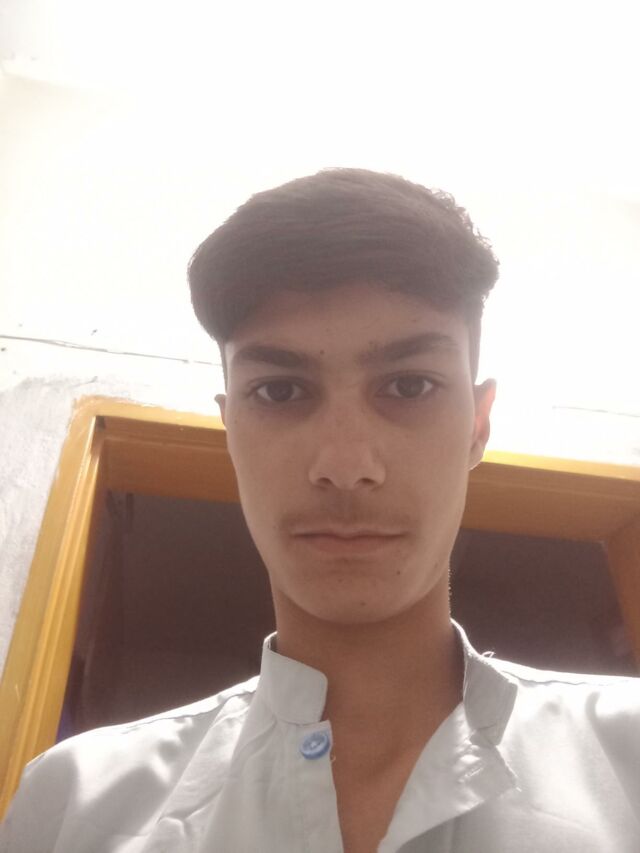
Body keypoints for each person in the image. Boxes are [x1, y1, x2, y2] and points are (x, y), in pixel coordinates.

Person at [1, 168, 639, 852]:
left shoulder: (625, 754)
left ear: (477, 426)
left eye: (409, 385)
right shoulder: (76, 805)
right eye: (280, 391)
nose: (344, 464)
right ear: (230, 430)